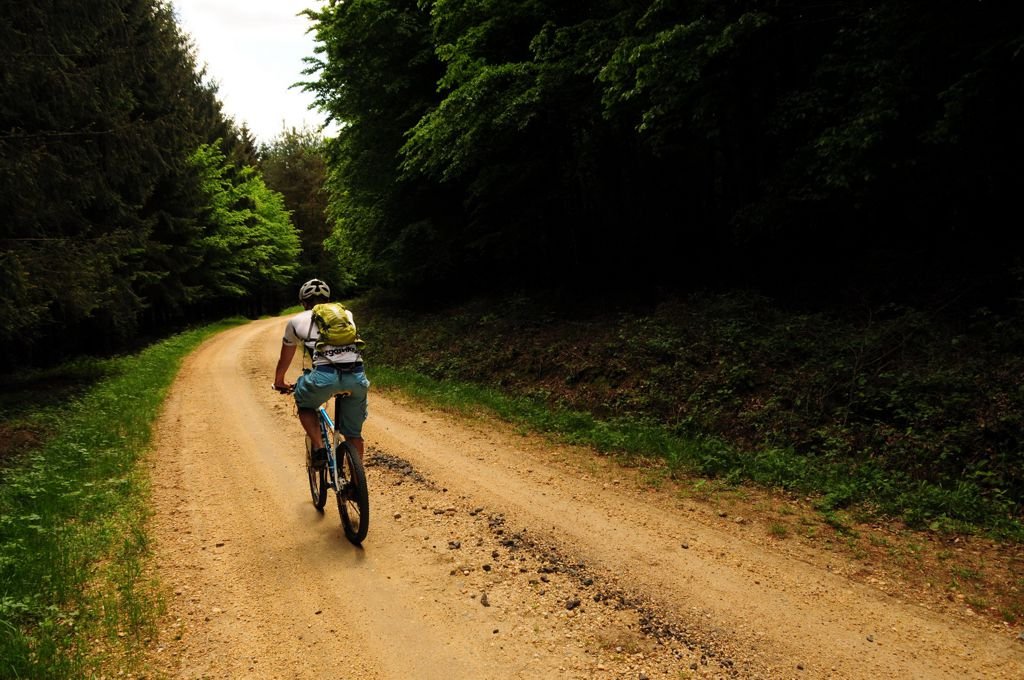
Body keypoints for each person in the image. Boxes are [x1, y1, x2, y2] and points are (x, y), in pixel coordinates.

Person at [273, 278, 369, 467]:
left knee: (305, 404)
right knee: (354, 435)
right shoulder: (346, 314)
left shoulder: (295, 321)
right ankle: (357, 486)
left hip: (324, 378)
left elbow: (286, 355)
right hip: (357, 376)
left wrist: (279, 380)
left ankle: (319, 448)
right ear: (328, 300)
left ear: (303, 302)